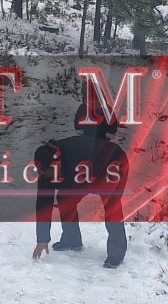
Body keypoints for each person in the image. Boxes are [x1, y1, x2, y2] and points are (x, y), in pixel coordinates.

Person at [32, 103, 128, 269]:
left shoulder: (76, 155)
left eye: (50, 173)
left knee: (111, 205)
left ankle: (116, 254)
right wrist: (42, 238)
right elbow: (43, 203)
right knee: (64, 199)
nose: (48, 177)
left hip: (112, 164)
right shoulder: (47, 169)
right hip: (81, 175)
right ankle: (72, 239)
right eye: (45, 174)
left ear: (57, 162)